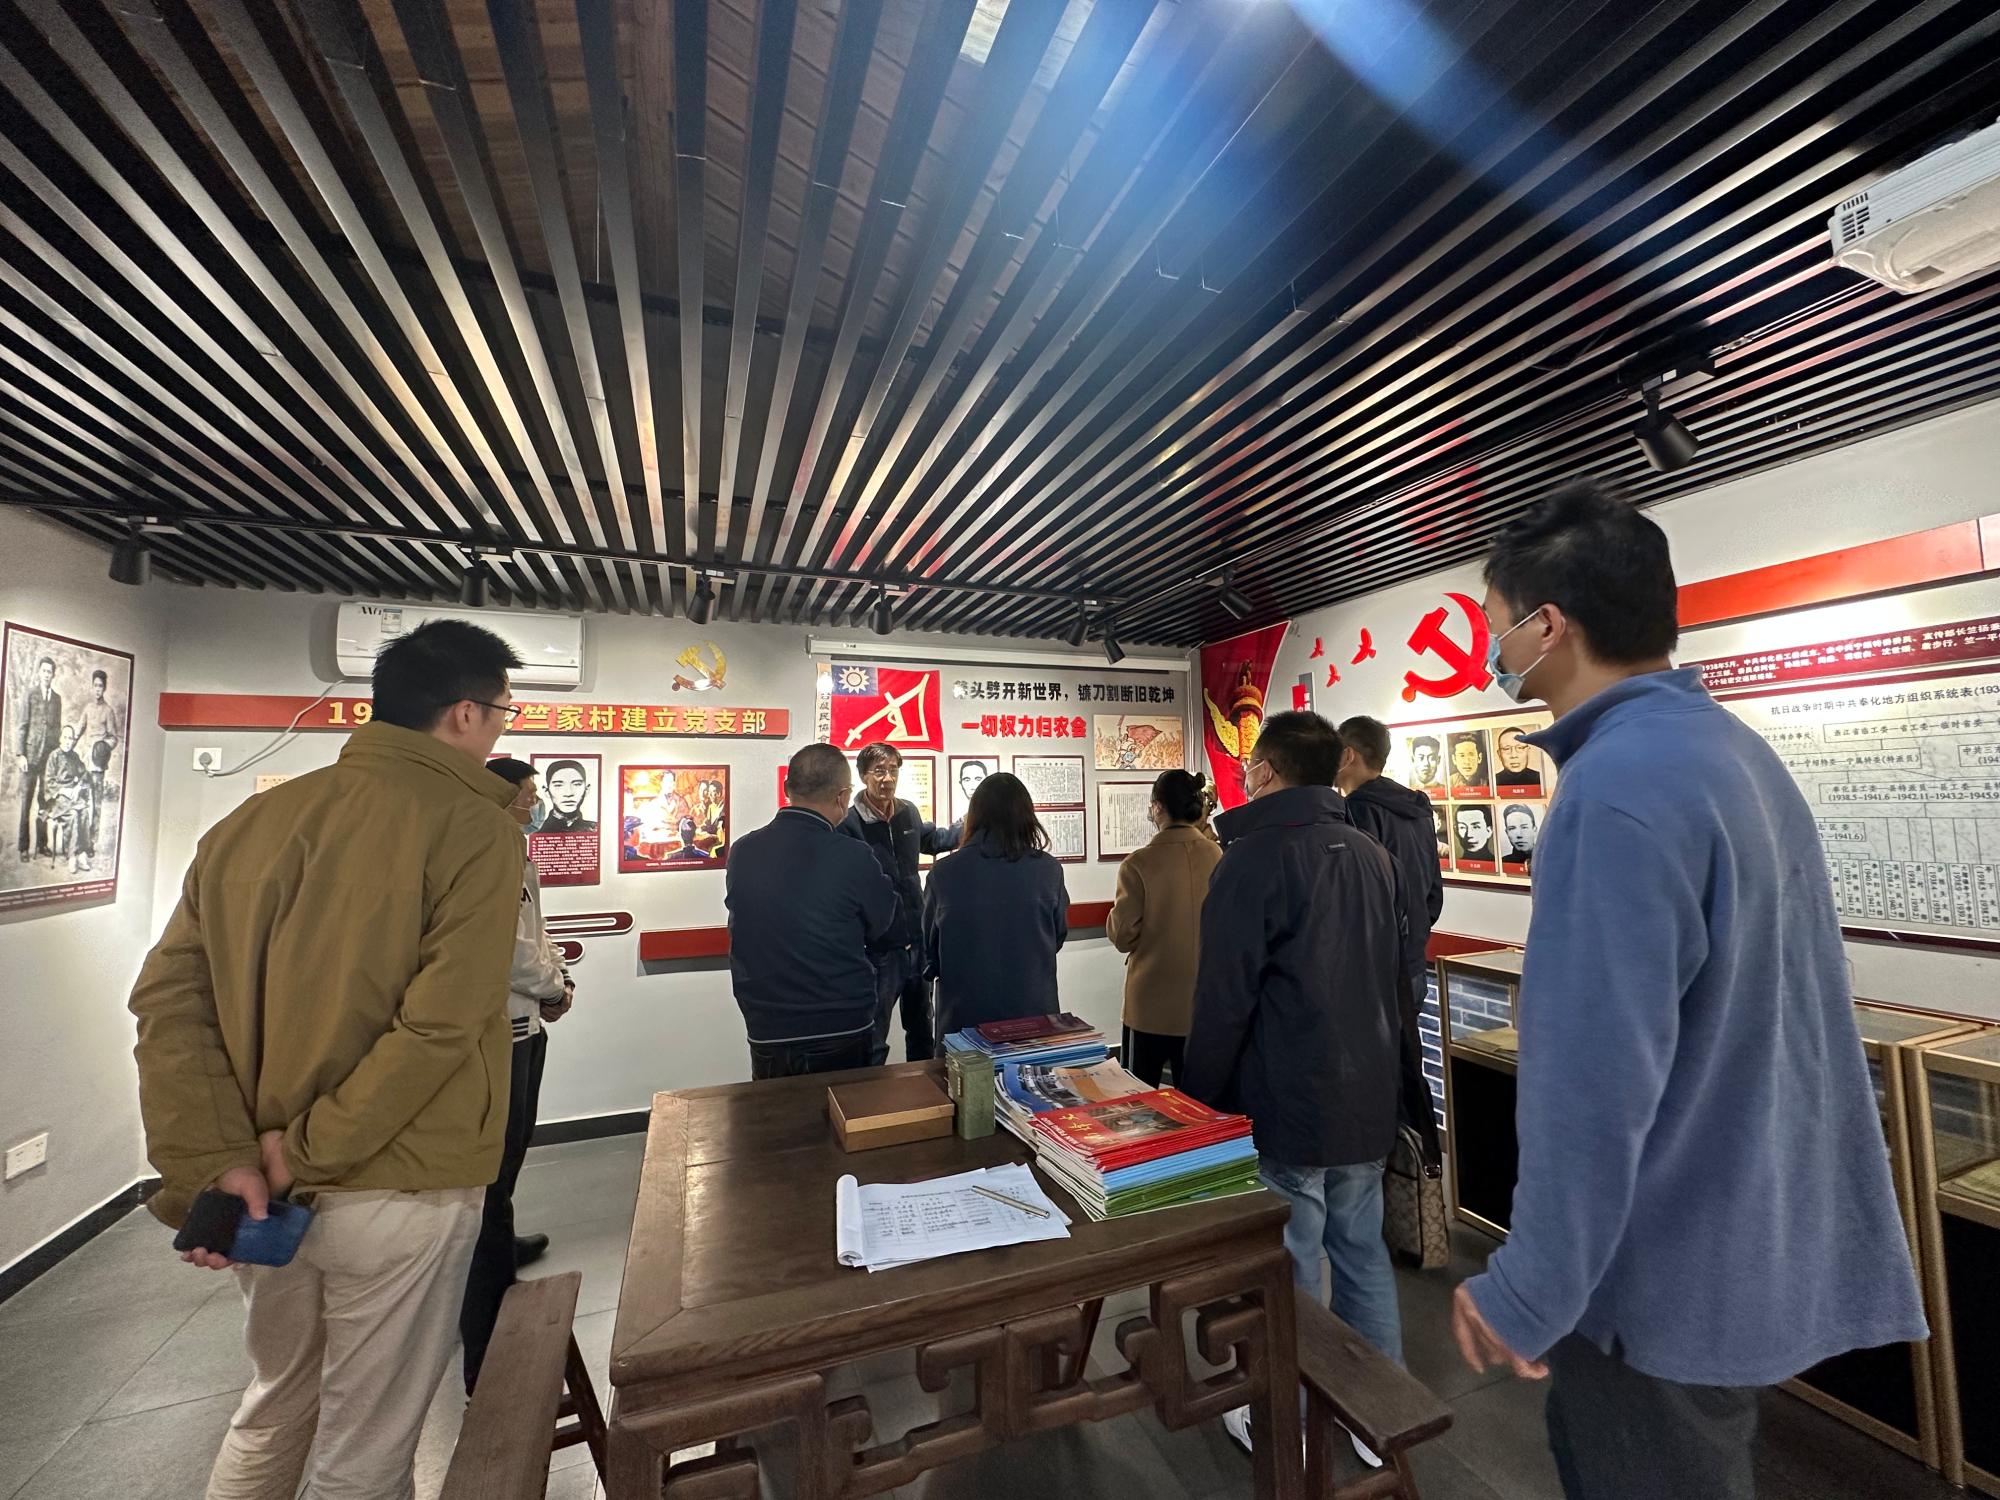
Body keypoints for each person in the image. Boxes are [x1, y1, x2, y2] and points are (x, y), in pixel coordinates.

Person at [1451, 482, 1925, 1500]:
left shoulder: (1613, 789)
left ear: (1549, 625)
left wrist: (1527, 1288)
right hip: (1741, 1248)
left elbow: (1593, 1085)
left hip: (1655, 1279)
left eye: (1497, 625)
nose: (1493, 650)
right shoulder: (1733, 754)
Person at [128, 619, 524, 1500]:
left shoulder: (251, 823)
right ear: (465, 713)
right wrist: (305, 1150)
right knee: (368, 1441)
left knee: (274, 1406)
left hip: (266, 1190)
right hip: (401, 1181)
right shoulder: (474, 826)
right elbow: (441, 1025)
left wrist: (223, 1159)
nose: (501, 729)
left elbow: (169, 1005)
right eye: (503, 711)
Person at [1181, 711, 1405, 1465]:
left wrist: (1199, 1103)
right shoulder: (1372, 854)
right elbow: (1391, 977)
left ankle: (1291, 1413)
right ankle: (1380, 1413)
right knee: (1362, 1251)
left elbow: (1225, 998)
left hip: (1289, 1093)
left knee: (1293, 1259)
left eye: (1251, 763)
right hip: (1368, 1091)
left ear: (1267, 771)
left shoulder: (1250, 860)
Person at [458, 757, 572, 1394]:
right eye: (528, 795)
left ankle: (499, 1247)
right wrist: (552, 987)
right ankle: (488, 1286)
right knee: (496, 1159)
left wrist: (558, 981)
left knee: (513, 1147)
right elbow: (509, 947)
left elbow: (536, 931)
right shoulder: (487, 851)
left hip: (526, 1019)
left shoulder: (515, 849)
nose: (535, 805)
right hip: (502, 1024)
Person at [726, 744, 899, 1079]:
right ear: (843, 797)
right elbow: (882, 924)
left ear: (787, 788)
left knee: (777, 1112)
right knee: (844, 1110)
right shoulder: (854, 855)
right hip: (841, 1024)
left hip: (767, 1026)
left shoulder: (743, 851)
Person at [1337, 715, 1445, 1165]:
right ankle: (1413, 1175)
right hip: (1413, 964)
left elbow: (1359, 898)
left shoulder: (1358, 812)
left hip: (1375, 970)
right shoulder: (1417, 810)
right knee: (1405, 1068)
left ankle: (1383, 1178)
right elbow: (1433, 894)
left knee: (1372, 1082)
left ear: (1348, 755)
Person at [838, 742, 961, 1065]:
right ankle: (871, 1095)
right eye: (879, 771)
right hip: (878, 948)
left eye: (893, 770)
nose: (887, 779)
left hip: (916, 940)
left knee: (922, 1030)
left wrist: (970, 824)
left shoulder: (907, 811)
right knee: (874, 1036)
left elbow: (933, 840)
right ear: (863, 776)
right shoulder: (849, 823)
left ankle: (923, 1091)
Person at [922, 771, 1068, 1042]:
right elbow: (1057, 936)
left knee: (966, 1072)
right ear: (1027, 815)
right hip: (1033, 1015)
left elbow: (929, 952)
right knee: (1031, 1071)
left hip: (964, 1019)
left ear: (975, 815)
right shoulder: (1048, 870)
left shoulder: (943, 873)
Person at [1105, 769, 1222, 1086]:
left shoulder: (1138, 863)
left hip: (1150, 1004)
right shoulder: (1216, 854)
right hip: (1202, 1000)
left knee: (1140, 1094)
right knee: (1196, 1098)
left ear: (1157, 807)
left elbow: (1123, 935)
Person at [15, 654, 60, 860]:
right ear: (39, 673)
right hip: (30, 758)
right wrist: (20, 754)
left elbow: (57, 728)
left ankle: (42, 844)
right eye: (44, 671)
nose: (46, 675)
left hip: (48, 760)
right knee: (26, 803)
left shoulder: (57, 699)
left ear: (53, 675)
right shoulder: (30, 694)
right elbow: (22, 726)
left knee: (45, 802)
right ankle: (23, 847)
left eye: (50, 672)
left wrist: (55, 759)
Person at [38, 722, 95, 872]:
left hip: (73, 795)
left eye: (71, 738)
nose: (68, 741)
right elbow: (49, 782)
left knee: (83, 812)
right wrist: (63, 790)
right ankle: (72, 856)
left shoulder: (74, 756)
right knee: (73, 814)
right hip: (58, 799)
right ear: (60, 739)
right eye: (65, 737)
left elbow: (84, 774)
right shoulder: (54, 756)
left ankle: (82, 853)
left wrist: (77, 788)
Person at [80, 666, 120, 845]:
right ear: (92, 687)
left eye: (101, 686)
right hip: (85, 761)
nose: (98, 689)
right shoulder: (87, 709)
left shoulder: (108, 711)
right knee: (83, 800)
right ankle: (81, 839)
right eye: (95, 685)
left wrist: (103, 748)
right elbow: (78, 730)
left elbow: (113, 738)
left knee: (96, 802)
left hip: (98, 764)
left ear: (104, 688)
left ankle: (92, 840)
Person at [539, 758, 596, 832]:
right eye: (558, 785)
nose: (568, 793)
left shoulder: (597, 829)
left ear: (587, 789)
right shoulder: (535, 831)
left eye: (577, 784)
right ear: (546, 791)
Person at [1494, 726, 1543, 791]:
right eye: (1506, 749)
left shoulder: (1540, 779)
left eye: (1520, 748)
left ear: (1528, 751)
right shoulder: (1492, 782)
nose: (1514, 755)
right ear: (1499, 754)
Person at [1500, 804, 1538, 870]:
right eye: (1512, 828)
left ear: (1534, 830)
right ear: (1507, 832)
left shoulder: (1547, 858)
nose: (1519, 835)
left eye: (1524, 827)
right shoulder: (1503, 862)